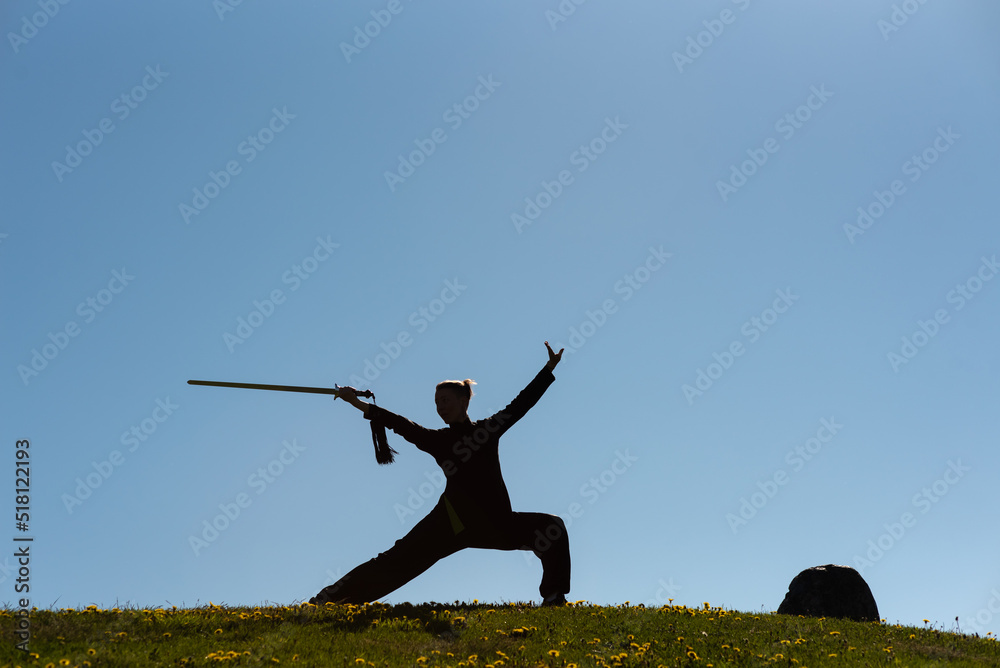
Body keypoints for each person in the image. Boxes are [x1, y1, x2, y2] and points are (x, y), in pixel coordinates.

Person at [309, 341, 570, 606]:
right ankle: (328, 599)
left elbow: (521, 403)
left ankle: (554, 596)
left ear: (464, 401)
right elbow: (402, 425)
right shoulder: (439, 440)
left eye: (445, 400)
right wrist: (355, 402)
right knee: (394, 561)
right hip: (450, 523)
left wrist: (548, 368)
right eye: (436, 403)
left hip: (495, 524)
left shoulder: (488, 430)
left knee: (552, 528)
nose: (440, 407)